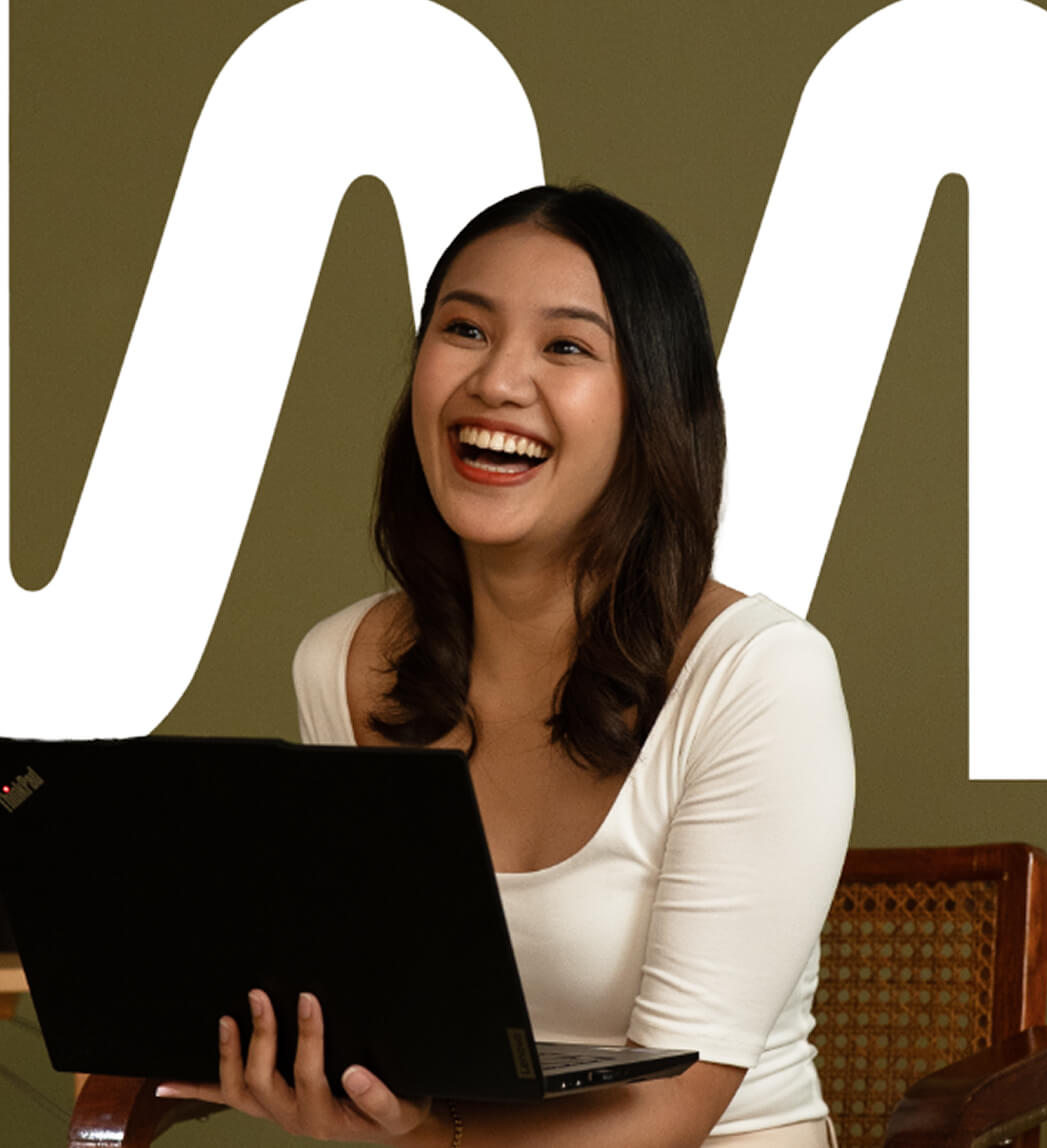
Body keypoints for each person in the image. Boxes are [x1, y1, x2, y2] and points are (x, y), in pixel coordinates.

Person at [158, 185, 854, 1146]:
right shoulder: (344, 666)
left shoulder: (763, 678)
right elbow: (386, 1043)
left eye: (566, 346)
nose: (496, 382)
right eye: (465, 330)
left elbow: (671, 1112)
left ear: (651, 406)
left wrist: (412, 1140)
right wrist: (334, 1089)